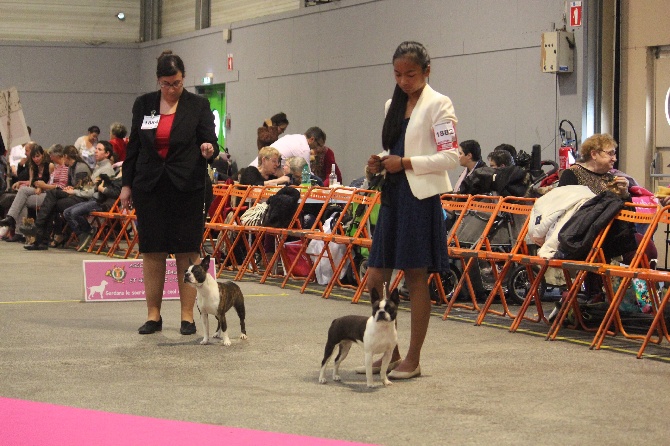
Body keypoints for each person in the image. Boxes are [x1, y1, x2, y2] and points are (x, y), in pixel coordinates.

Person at [364, 41, 459, 380]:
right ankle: (392, 352)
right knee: (375, 276)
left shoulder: (440, 104)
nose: (403, 80)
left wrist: (403, 162)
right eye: (397, 74)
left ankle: (413, 359)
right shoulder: (393, 103)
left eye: (411, 74)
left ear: (427, 71)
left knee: (416, 277)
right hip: (392, 196)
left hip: (420, 199)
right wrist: (380, 161)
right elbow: (396, 148)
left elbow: (451, 157)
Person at [120, 50, 219, 336]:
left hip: (188, 186)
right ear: (158, 81)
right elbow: (134, 147)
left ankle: (187, 316)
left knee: (187, 250)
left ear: (183, 79)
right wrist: (127, 184)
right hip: (150, 186)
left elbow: (209, 141)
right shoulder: (144, 104)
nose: (171, 89)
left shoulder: (198, 105)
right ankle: (153, 315)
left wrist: (208, 150)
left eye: (176, 83)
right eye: (166, 84)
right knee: (153, 250)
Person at [25, 142, 111, 250]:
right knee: (52, 197)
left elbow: (86, 191)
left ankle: (39, 234)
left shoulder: (82, 168)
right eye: (96, 148)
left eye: (99, 149)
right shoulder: (73, 167)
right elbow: (80, 187)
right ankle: (41, 236)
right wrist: (70, 189)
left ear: (66, 156)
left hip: (84, 198)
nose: (95, 151)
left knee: (52, 200)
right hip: (79, 195)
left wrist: (72, 191)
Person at [0, 144, 69, 239]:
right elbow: (43, 182)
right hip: (45, 191)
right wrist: (40, 186)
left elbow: (61, 187)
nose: (50, 157)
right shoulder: (56, 167)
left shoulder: (60, 168)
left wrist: (43, 186)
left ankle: (17, 227)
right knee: (22, 192)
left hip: (51, 195)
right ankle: (16, 227)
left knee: (22, 200)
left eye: (51, 155)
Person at [557, 133, 629, 195]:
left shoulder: (611, 178)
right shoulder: (572, 174)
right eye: (610, 153)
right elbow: (564, 205)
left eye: (614, 154)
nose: (614, 159)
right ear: (594, 154)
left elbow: (626, 208)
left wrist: (624, 193)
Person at [249, 127, 325, 171]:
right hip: (260, 174)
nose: (317, 148)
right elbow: (306, 175)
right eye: (318, 144)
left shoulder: (293, 137)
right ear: (311, 139)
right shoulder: (304, 149)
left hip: (254, 169)